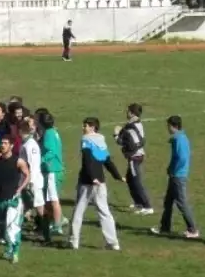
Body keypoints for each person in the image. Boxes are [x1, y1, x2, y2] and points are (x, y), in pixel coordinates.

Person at [70, 118, 123, 251]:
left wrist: (92, 177)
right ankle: (113, 242)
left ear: (93, 127)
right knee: (104, 212)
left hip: (87, 182)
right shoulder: (101, 141)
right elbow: (107, 160)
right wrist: (117, 176)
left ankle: (74, 241)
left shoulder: (86, 140)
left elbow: (87, 160)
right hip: (101, 182)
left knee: (78, 211)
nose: (83, 128)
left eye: (86, 126)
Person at [151, 116, 201, 239]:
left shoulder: (179, 139)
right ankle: (165, 227)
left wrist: (173, 169)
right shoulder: (180, 138)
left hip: (178, 176)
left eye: (168, 126)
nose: (167, 129)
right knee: (168, 202)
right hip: (176, 175)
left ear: (174, 126)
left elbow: (182, 158)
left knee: (181, 203)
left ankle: (193, 229)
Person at [0, 134, 30, 264]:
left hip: (13, 199)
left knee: (13, 226)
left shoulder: (18, 161)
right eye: (2, 142)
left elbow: (27, 175)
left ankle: (15, 252)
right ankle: (8, 248)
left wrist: (20, 189)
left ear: (12, 146)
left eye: (6, 143)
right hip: (0, 198)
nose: (2, 145)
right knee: (2, 225)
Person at [115, 103, 153, 215]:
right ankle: (138, 203)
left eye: (127, 111)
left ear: (131, 112)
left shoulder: (131, 126)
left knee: (136, 181)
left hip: (134, 157)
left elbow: (129, 143)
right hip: (138, 155)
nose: (126, 113)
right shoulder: (137, 124)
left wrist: (116, 135)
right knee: (130, 179)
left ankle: (147, 206)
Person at [18, 119, 51, 243]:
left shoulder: (31, 145)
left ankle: (46, 235)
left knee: (40, 208)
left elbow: (33, 165)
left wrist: (29, 182)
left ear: (21, 131)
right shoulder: (25, 144)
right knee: (23, 207)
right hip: (26, 181)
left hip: (33, 182)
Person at [36, 110, 68, 235]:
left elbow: (51, 152)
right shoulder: (53, 132)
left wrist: (40, 160)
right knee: (49, 199)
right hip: (54, 169)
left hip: (52, 170)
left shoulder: (48, 134)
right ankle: (57, 220)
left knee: (53, 199)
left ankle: (57, 225)